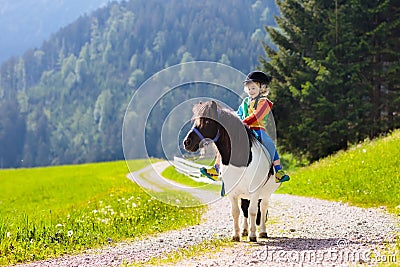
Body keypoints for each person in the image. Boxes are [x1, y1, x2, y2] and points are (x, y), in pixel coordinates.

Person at [201, 70, 290, 183]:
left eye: (253, 88)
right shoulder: (246, 101)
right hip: (242, 129)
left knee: (269, 144)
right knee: (224, 143)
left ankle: (278, 170)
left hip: (257, 129)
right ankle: (216, 168)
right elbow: (238, 113)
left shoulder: (264, 102)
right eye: (249, 89)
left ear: (262, 88)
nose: (250, 91)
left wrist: (243, 122)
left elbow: (256, 116)